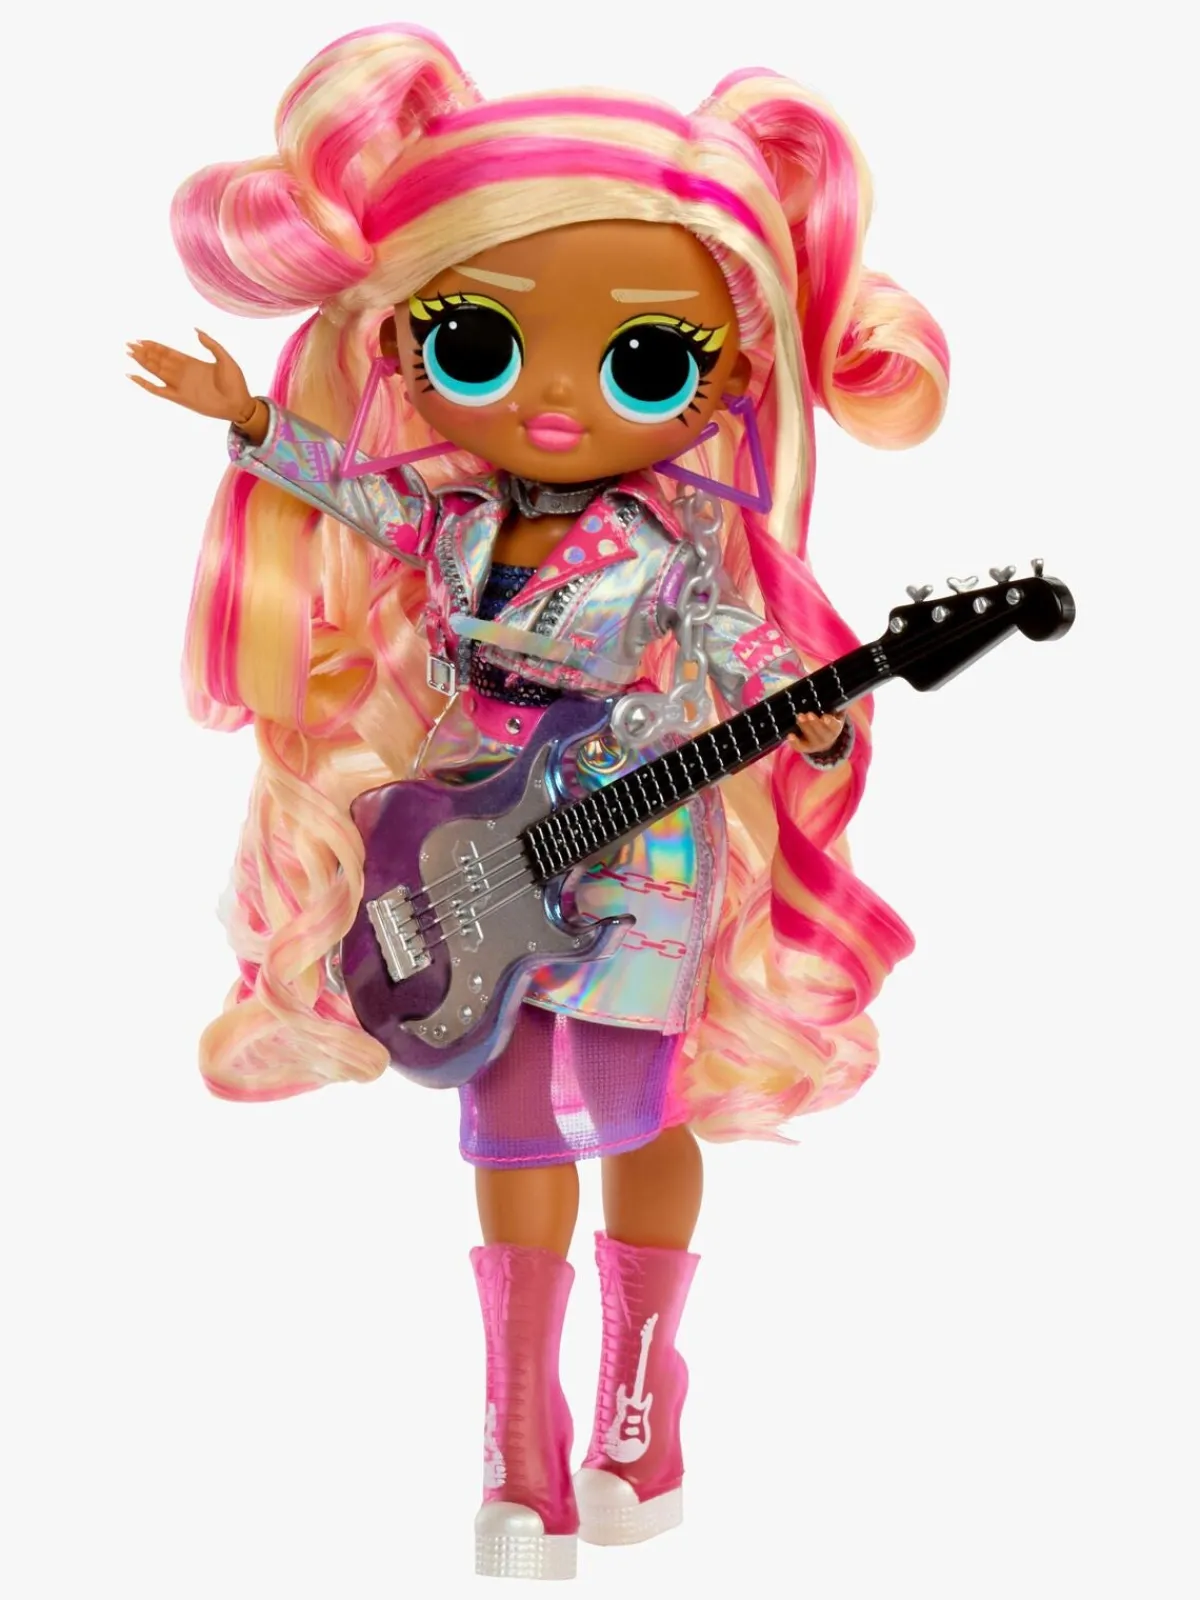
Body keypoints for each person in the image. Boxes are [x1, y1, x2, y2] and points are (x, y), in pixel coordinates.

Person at [129, 23, 947, 1580]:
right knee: (506, 1122)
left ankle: (640, 1397)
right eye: (478, 342)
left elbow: (741, 645)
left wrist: (819, 709)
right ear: (402, 343)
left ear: (729, 373)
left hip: (639, 856)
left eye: (645, 362)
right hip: (466, 839)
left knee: (638, 1108)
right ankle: (518, 1434)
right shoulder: (448, 519)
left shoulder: (677, 546)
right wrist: (249, 421)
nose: (560, 399)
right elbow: (360, 494)